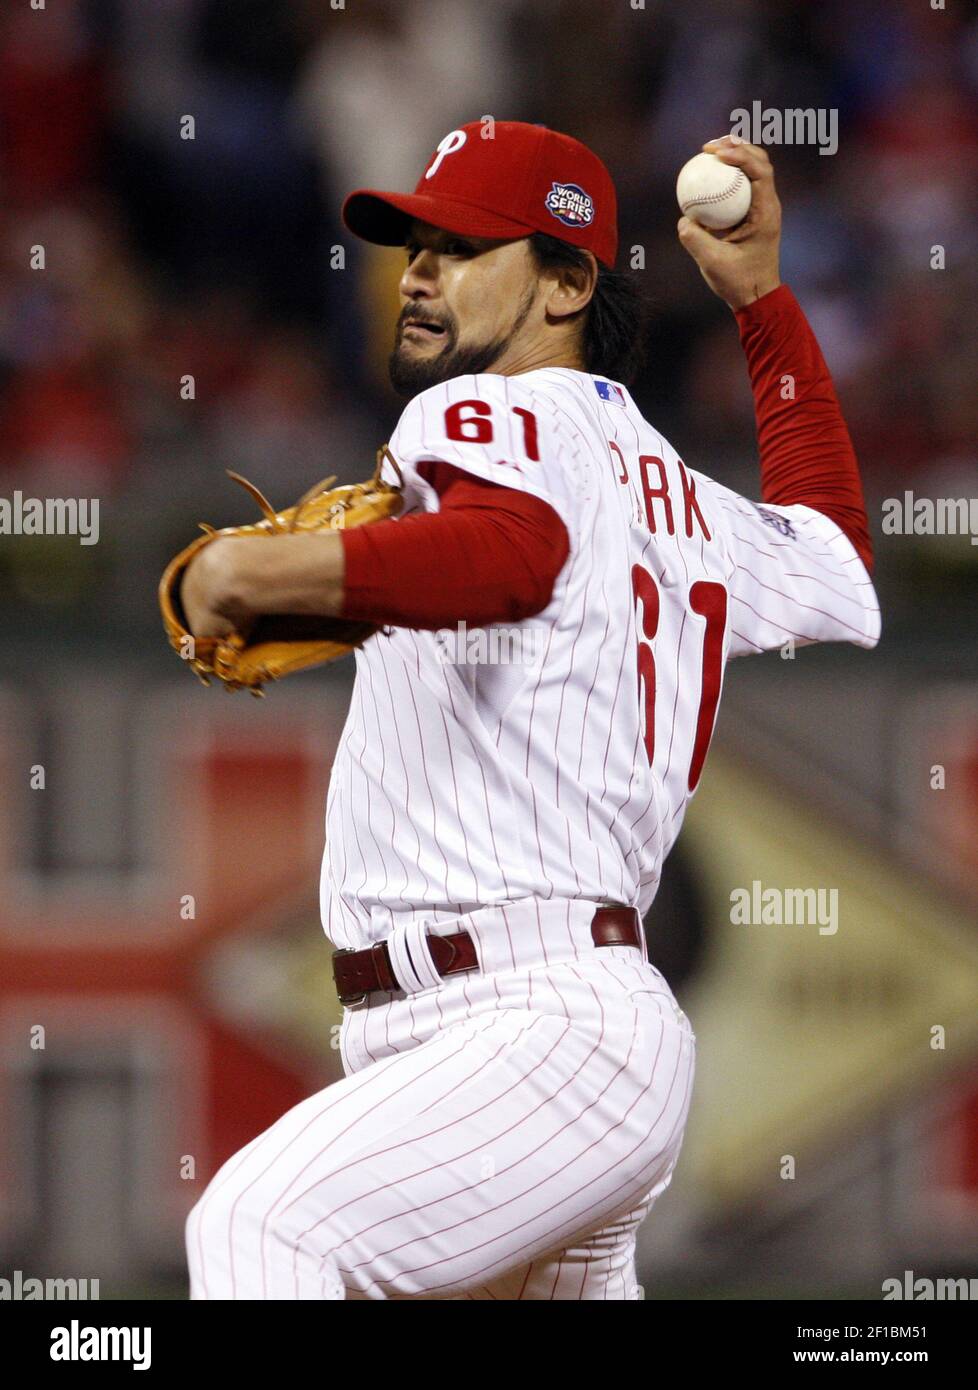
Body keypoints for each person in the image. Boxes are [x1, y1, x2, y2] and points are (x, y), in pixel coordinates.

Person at [182, 121, 880, 1300]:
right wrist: (762, 305)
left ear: (566, 283)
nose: (417, 272)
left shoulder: (489, 413)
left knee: (264, 1228)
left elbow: (519, 553)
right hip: (562, 1039)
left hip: (524, 1025)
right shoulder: (674, 494)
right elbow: (839, 565)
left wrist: (269, 575)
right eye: (414, 244)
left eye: (461, 248)